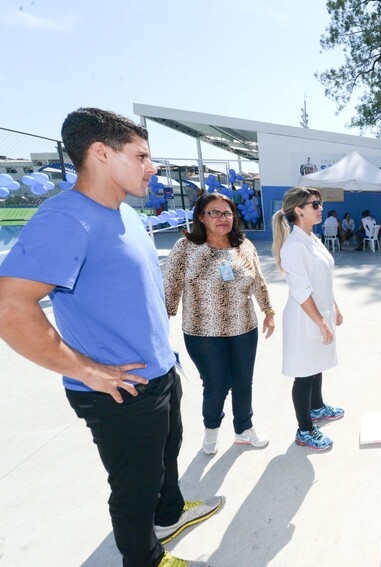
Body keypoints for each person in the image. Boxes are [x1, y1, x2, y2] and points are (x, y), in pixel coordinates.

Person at [0, 108, 219, 567]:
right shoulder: (65, 219)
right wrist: (86, 371)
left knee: (165, 457)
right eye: (141, 156)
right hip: (118, 390)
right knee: (134, 487)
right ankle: (146, 559)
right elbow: (10, 308)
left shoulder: (125, 214)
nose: (152, 166)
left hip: (157, 372)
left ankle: (172, 514)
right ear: (100, 153)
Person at [163, 193, 274, 456]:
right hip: (202, 332)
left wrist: (268, 309)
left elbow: (257, 279)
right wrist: (160, 326)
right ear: (201, 217)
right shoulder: (185, 248)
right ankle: (211, 431)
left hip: (244, 327)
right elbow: (170, 288)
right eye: (214, 212)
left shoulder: (243, 245)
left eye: (227, 213)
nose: (222, 218)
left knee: (243, 381)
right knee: (216, 384)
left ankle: (244, 430)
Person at [272, 187, 344, 451]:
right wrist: (321, 322)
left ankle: (317, 407)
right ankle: (305, 430)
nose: (321, 208)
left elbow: (323, 280)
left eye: (320, 203)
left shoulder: (312, 238)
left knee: (316, 366)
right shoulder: (294, 246)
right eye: (315, 204)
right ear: (299, 211)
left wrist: (334, 308)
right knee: (304, 375)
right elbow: (301, 291)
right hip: (305, 318)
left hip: (319, 312)